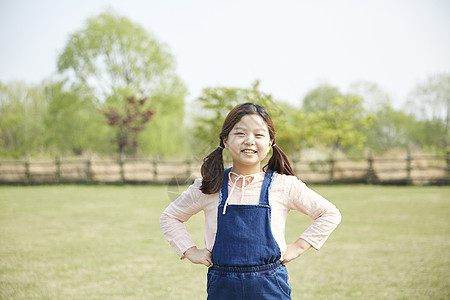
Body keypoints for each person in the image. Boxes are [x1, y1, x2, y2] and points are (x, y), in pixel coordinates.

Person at [160, 102, 341, 299]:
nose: (249, 141)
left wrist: (297, 248)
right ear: (226, 141)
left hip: (271, 286)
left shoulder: (284, 185)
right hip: (223, 287)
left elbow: (329, 214)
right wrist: (190, 251)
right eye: (240, 133)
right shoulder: (209, 186)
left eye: (259, 134)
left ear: (270, 142)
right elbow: (170, 217)